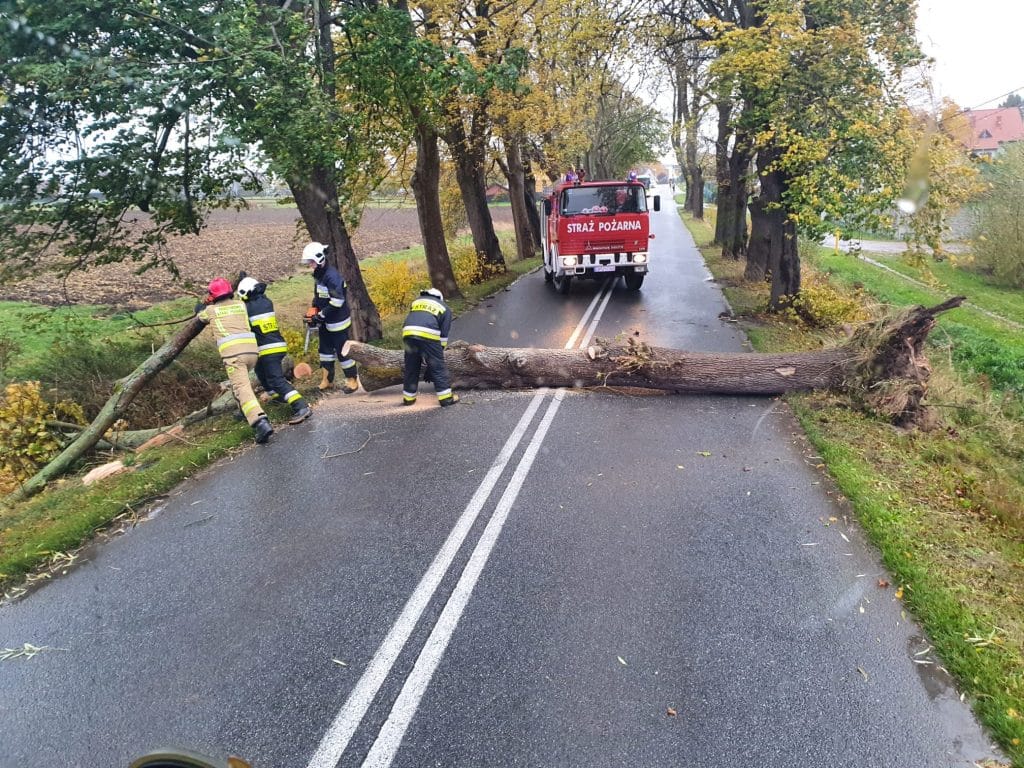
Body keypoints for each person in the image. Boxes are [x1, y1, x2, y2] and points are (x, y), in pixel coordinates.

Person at [195, 278, 274, 444]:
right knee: (237, 384)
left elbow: (199, 316)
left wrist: (202, 304)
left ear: (213, 296)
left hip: (234, 356)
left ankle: (260, 422)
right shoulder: (240, 305)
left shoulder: (211, 310)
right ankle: (242, 412)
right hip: (252, 351)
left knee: (241, 387)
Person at [236, 276, 313, 425]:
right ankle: (279, 397)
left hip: (267, 349)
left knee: (276, 380)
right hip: (276, 345)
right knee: (261, 374)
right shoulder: (266, 302)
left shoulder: (247, 308)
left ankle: (301, 406)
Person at [300, 241, 358, 393]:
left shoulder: (331, 277)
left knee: (343, 352)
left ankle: (352, 381)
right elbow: (320, 295)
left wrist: (320, 315)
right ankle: (327, 380)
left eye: (311, 262)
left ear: (319, 259)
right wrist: (314, 308)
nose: (310, 265)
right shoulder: (320, 275)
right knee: (325, 351)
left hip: (337, 321)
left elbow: (337, 301)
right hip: (325, 321)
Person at [401, 287, 458, 407]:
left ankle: (408, 398)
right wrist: (434, 361)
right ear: (440, 298)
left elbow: (416, 319)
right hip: (429, 334)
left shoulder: (416, 302)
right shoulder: (444, 308)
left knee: (411, 365)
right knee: (438, 368)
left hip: (408, 333)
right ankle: (446, 398)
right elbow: (443, 336)